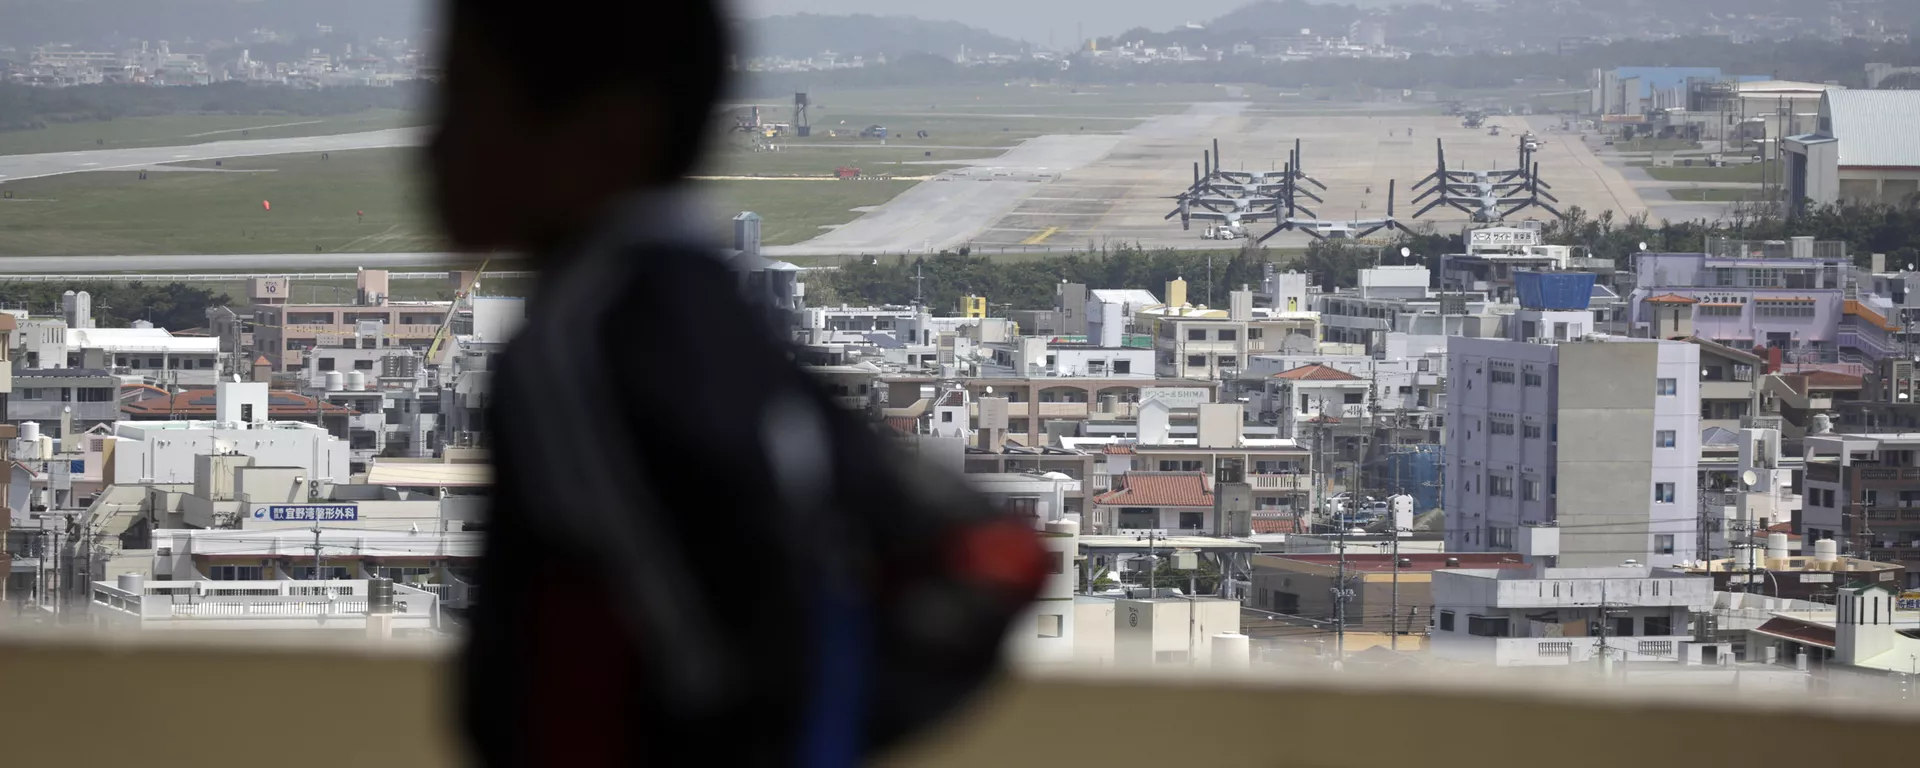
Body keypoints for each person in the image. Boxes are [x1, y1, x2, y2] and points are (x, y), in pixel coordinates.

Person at [430, 2, 1045, 766]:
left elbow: (703, 654)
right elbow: (989, 549)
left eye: (463, 102)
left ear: (609, 136)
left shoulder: (579, 344)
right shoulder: (720, 314)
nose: (432, 145)